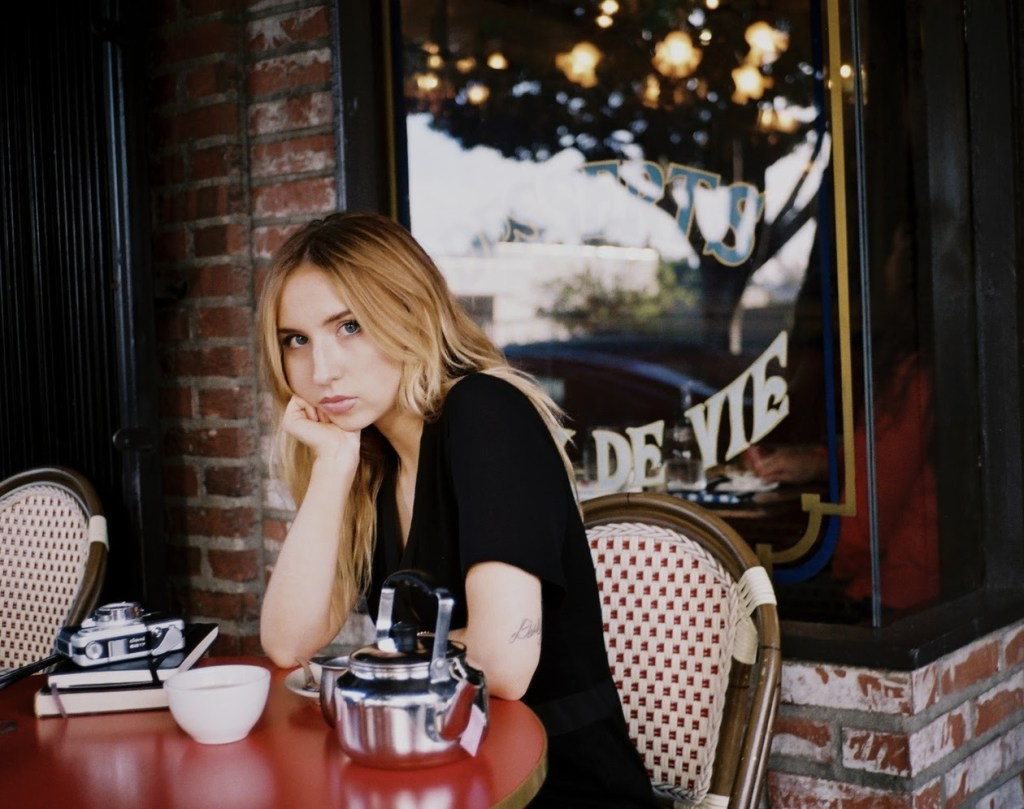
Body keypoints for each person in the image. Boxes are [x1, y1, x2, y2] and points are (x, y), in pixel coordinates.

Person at [257, 211, 657, 807]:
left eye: (349, 326)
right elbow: (289, 643)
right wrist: (334, 465)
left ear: (411, 314)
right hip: (438, 773)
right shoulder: (371, 461)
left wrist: (366, 663)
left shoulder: (486, 413)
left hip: (552, 784)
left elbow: (502, 663)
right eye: (297, 340)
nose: (321, 371)